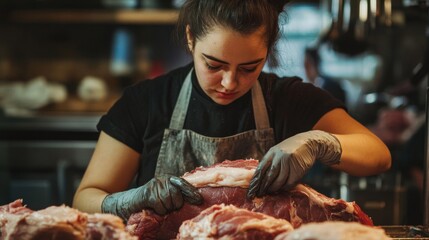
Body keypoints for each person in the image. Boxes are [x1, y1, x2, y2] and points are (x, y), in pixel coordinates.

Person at [73, 0, 391, 221]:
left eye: (249, 68)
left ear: (268, 52)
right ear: (190, 39)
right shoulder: (146, 101)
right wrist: (128, 201)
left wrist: (318, 142)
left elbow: (378, 155)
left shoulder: (287, 99)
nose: (229, 82)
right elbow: (85, 199)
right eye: (214, 65)